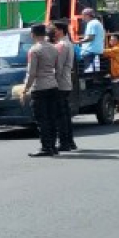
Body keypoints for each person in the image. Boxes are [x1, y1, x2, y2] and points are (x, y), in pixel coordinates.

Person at [22, 24, 62, 157]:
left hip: (39, 87)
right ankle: (53, 146)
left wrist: (25, 89)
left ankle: (46, 147)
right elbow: (58, 68)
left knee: (41, 119)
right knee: (52, 117)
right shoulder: (54, 48)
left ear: (33, 34)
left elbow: (32, 72)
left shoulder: (34, 50)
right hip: (53, 85)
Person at [51, 20, 78, 152]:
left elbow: (58, 67)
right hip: (66, 81)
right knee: (65, 114)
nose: (52, 32)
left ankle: (64, 142)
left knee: (60, 115)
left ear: (60, 30)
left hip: (60, 83)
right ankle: (70, 141)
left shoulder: (62, 45)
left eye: (54, 29)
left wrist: (54, 82)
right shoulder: (68, 44)